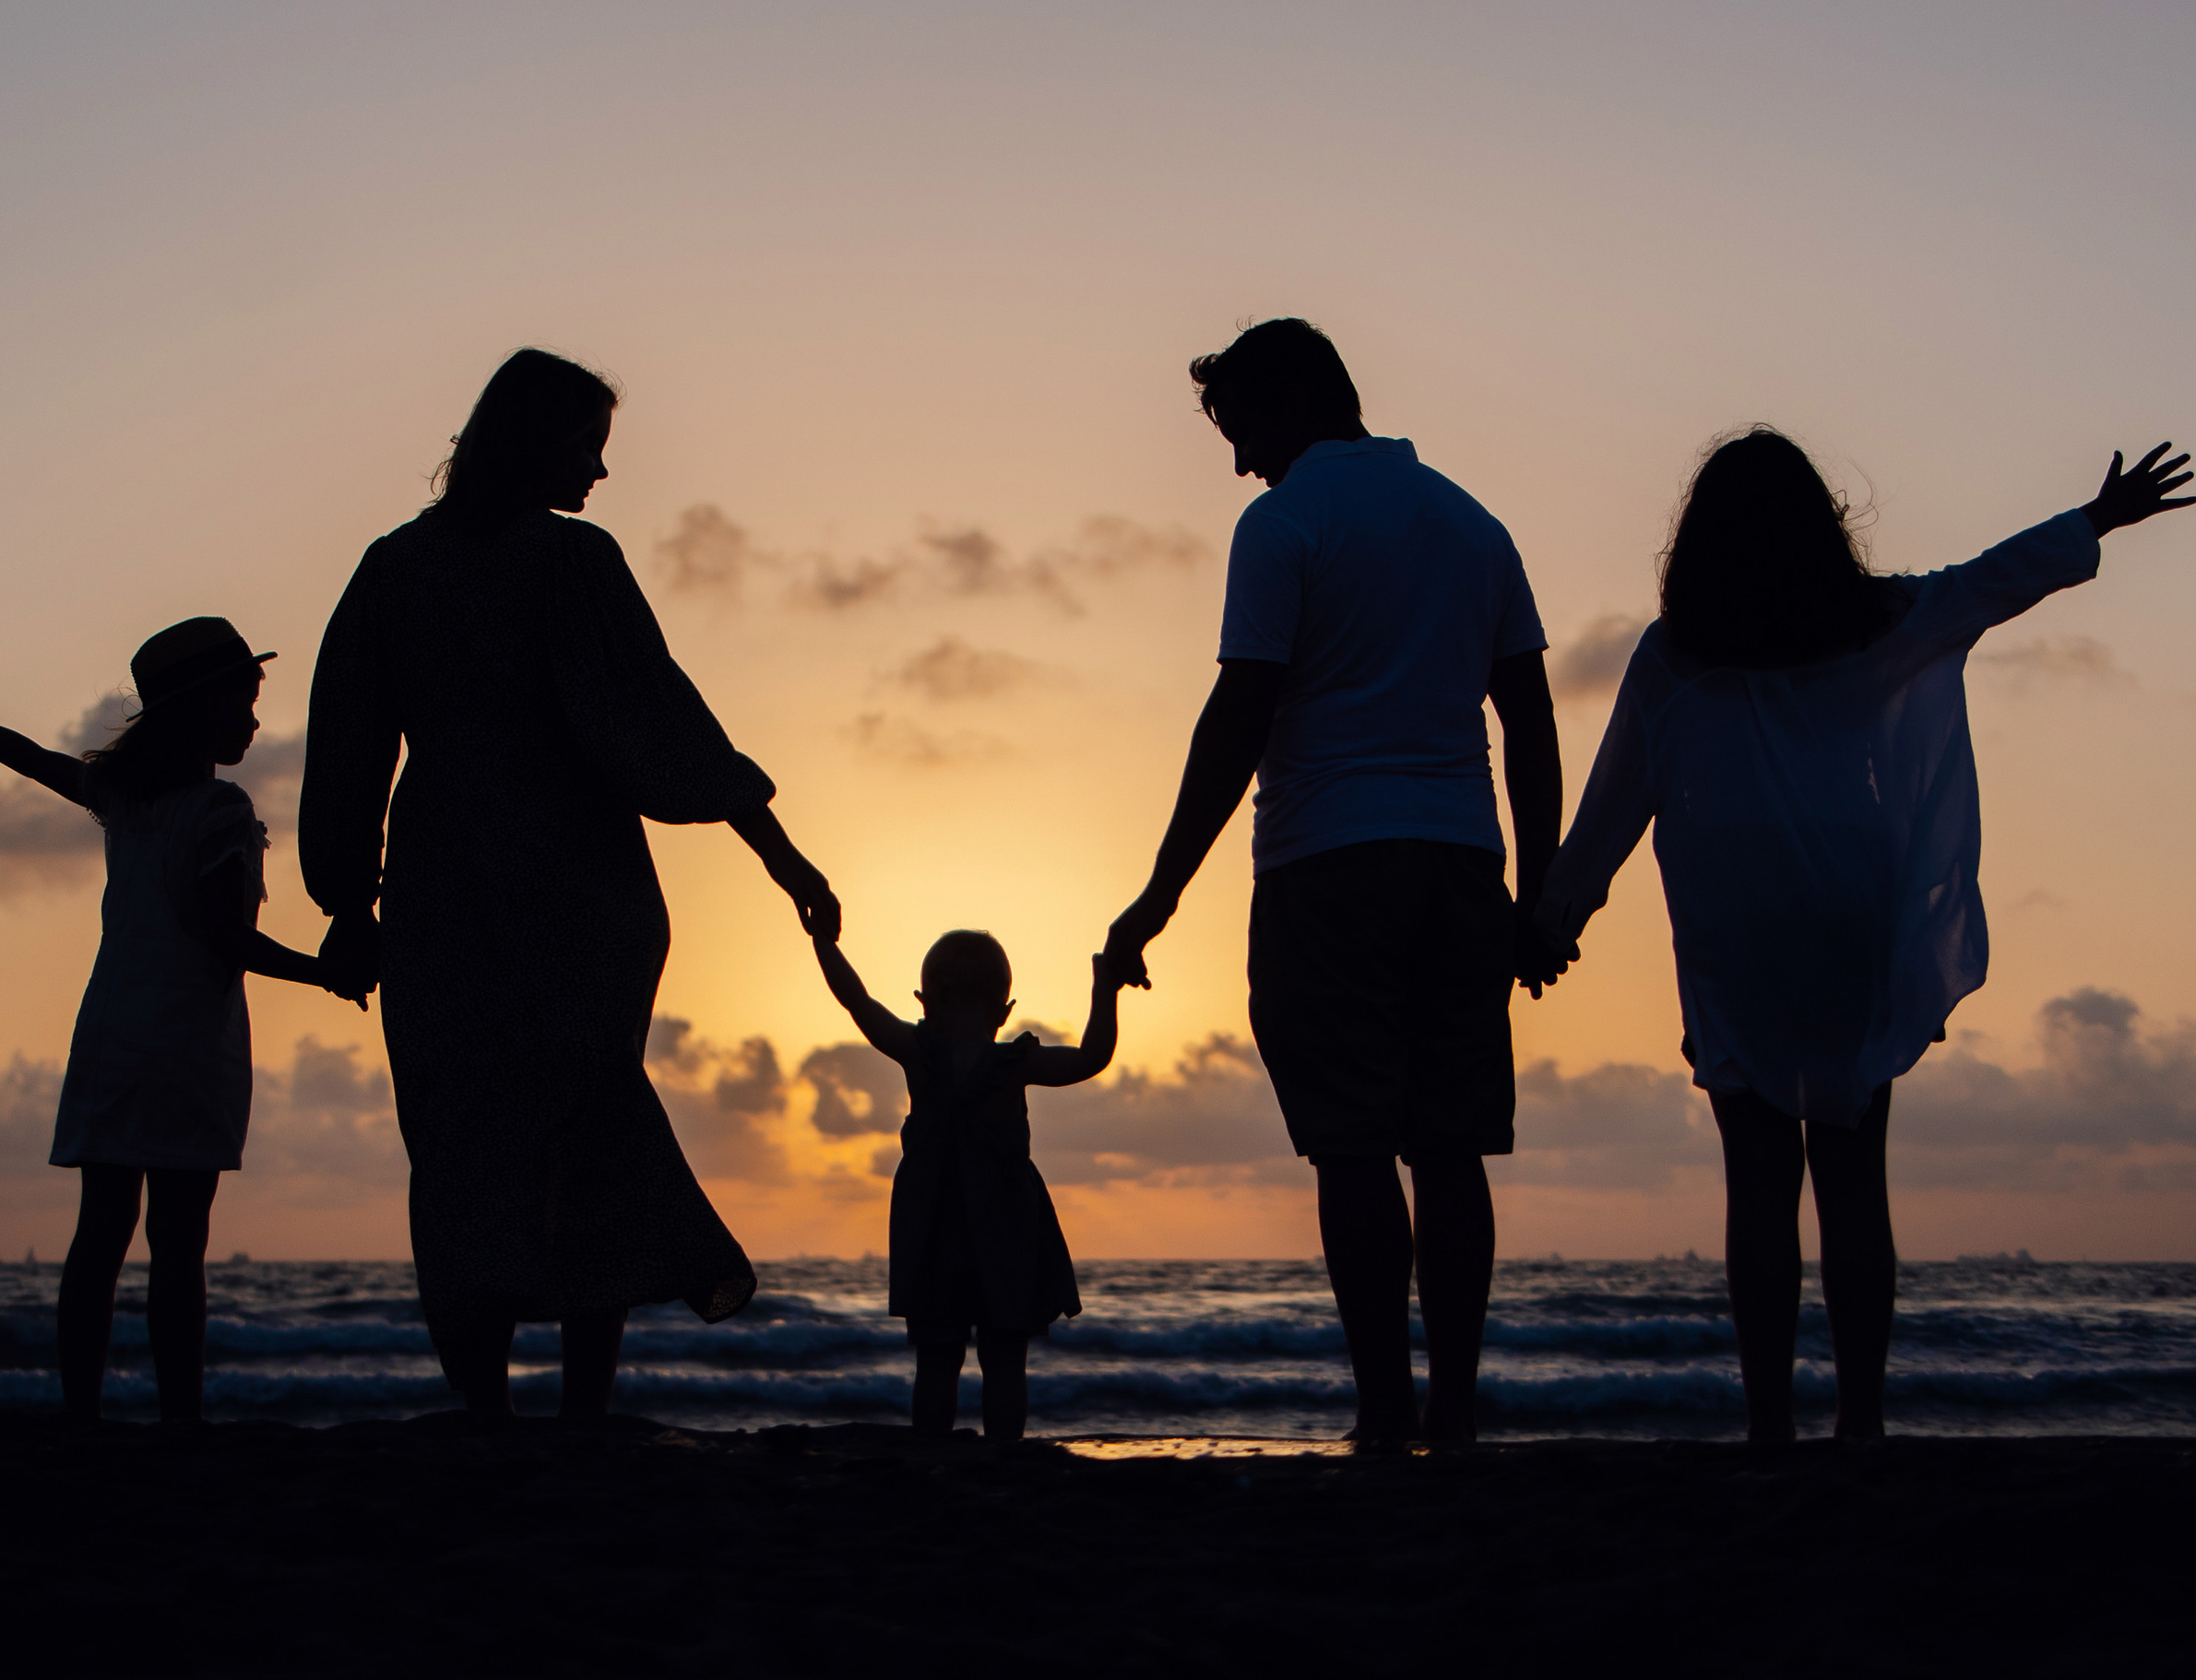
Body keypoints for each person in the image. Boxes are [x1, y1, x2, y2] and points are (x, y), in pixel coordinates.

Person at [1533, 432, 2191, 1443]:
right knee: (1851, 1174)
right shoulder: (1878, 621)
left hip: (1735, 922)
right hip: (1849, 909)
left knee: (1758, 1182)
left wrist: (1551, 923)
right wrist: (2096, 519)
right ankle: (1861, 1421)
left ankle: (1768, 1426)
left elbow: (1615, 801)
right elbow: (1988, 582)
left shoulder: (1674, 653)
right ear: (1822, 527)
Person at [298, 348, 838, 1423]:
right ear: (535, 441)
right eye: (588, 446)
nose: (599, 470)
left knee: (468, 1144)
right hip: (560, 882)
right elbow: (664, 722)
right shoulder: (567, 562)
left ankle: (487, 1409)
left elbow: (348, 751)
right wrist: (781, 855)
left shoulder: (396, 568)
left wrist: (350, 906)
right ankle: (579, 1410)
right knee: (583, 1133)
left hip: (460, 887)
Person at [1104, 319, 1562, 1449]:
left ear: (1297, 401)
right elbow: (1531, 718)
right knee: (1450, 1146)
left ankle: (1384, 1413)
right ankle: (1452, 1415)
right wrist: (1539, 889)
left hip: (1326, 864)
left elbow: (1239, 717)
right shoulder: (1473, 523)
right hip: (1461, 862)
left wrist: (1159, 892)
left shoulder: (1283, 526)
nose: (1237, 461)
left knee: (1352, 1147)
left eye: (1241, 428)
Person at [0, 621, 365, 1426]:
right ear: (201, 709)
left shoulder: (125, 798)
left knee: (100, 1235)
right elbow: (223, 935)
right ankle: (179, 1421)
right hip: (187, 1046)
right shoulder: (220, 809)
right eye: (244, 701)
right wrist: (324, 973)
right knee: (179, 1244)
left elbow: (39, 763)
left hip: (112, 1035)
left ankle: (81, 1418)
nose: (255, 720)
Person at [811, 923, 1119, 1440]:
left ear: (925, 1001)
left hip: (934, 1230)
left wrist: (823, 942)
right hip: (1007, 1232)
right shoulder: (1015, 1063)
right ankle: (1004, 1455)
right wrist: (1104, 987)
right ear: (1004, 1011)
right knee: (1005, 1360)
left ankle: (933, 1453)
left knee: (937, 1359)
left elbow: (857, 1002)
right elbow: (1092, 1057)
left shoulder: (918, 1052)